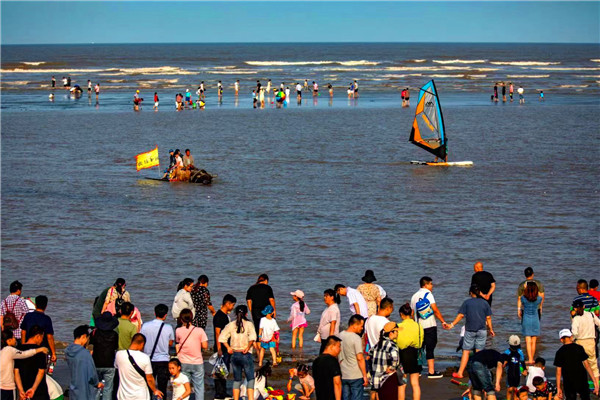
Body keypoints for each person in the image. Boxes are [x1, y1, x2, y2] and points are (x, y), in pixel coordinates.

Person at [446, 284, 494, 379]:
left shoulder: (467, 303)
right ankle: (480, 372)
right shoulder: (485, 303)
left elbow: (460, 315)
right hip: (482, 330)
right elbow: (488, 318)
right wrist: (491, 329)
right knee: (479, 353)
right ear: (480, 293)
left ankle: (460, 372)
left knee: (466, 352)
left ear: (470, 293)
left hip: (470, 330)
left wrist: (451, 325)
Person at [410, 276, 448, 378]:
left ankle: (417, 371)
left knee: (419, 348)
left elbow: (412, 313)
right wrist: (443, 321)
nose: (432, 286)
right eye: (431, 284)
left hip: (418, 327)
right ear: (425, 285)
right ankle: (431, 372)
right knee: (430, 348)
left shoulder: (414, 296)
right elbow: (435, 309)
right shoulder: (429, 294)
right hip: (430, 325)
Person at [218, 305, 257, 400]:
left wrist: (228, 347)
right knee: (250, 378)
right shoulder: (249, 324)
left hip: (234, 354)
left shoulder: (231, 324)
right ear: (246, 314)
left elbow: (221, 338)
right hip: (245, 354)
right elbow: (253, 337)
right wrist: (248, 347)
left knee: (237, 379)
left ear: (235, 314)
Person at [1, 329, 49, 400]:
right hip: (8, 386)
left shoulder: (2, 350)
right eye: (13, 337)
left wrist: (21, 390)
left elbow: (16, 371)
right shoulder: (10, 350)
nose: (15, 339)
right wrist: (39, 349)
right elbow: (24, 354)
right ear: (9, 340)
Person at [114, 333, 163, 400]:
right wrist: (155, 390)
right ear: (142, 344)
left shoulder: (119, 354)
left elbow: (117, 369)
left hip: (123, 395)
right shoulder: (145, 357)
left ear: (131, 341)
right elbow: (149, 379)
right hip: (140, 395)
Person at [140, 304, 174, 399]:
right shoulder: (168, 327)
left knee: (148, 386)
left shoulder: (145, 326)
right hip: (163, 360)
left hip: (148, 359)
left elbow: (141, 340)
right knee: (162, 387)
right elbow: (170, 343)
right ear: (165, 315)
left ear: (155, 313)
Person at [554, 328, 599, 399]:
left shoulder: (559, 352)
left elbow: (558, 372)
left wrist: (558, 388)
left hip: (568, 381)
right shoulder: (579, 348)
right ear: (571, 337)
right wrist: (594, 382)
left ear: (561, 340)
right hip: (582, 379)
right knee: (585, 397)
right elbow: (587, 365)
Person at [175, 309, 208, 400]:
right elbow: (205, 346)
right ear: (192, 318)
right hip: (197, 362)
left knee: (183, 387)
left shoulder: (178, 330)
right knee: (199, 387)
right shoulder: (199, 330)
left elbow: (178, 343)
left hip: (183, 362)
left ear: (181, 319)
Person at [66, 325, 104, 400]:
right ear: (83, 336)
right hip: (84, 389)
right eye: (87, 338)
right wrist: (97, 383)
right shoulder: (85, 353)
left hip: (74, 387)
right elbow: (92, 373)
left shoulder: (68, 351)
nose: (87, 341)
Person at [370, 321, 404, 399]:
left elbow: (370, 354)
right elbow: (395, 358)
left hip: (377, 378)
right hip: (387, 377)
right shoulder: (392, 345)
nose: (398, 333)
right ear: (391, 333)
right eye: (396, 331)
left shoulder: (378, 344)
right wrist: (392, 367)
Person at [14, 325, 49, 400]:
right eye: (42, 338)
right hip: (39, 389)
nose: (42, 340)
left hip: (23, 387)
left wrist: (21, 390)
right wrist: (33, 388)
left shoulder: (18, 349)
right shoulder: (41, 350)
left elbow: (16, 372)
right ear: (38, 336)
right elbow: (41, 371)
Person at [396, 303, 423, 400]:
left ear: (401, 314)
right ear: (411, 313)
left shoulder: (398, 326)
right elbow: (420, 343)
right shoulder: (418, 326)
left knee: (402, 385)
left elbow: (395, 342)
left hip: (402, 355)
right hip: (415, 355)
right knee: (415, 384)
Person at [338, 314, 368, 400]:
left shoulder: (340, 335)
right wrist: (365, 376)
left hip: (343, 374)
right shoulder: (356, 338)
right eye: (361, 326)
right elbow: (360, 358)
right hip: (355, 374)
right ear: (355, 325)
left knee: (345, 397)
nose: (362, 328)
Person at [90, 312, 119, 400]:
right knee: (108, 388)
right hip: (109, 363)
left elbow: (90, 347)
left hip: (96, 362)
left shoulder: (94, 333)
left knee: (96, 386)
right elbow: (115, 347)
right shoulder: (114, 335)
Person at [20, 295, 56, 363]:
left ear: (35, 305)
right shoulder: (46, 319)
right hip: (42, 348)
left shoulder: (28, 316)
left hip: (28, 347)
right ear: (46, 306)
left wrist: (23, 346)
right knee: (41, 369)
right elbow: (49, 337)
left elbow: (23, 332)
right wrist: (53, 353)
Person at [213, 294, 236, 400]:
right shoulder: (219, 316)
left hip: (226, 347)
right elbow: (217, 333)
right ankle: (219, 393)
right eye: (232, 305)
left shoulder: (225, 315)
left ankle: (223, 391)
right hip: (221, 347)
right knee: (219, 370)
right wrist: (219, 349)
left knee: (224, 370)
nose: (233, 307)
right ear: (227, 304)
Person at [571, 300, 600, 382]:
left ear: (575, 309)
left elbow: (575, 333)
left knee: (580, 365)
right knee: (593, 365)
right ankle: (596, 386)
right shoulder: (591, 314)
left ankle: (582, 383)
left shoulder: (576, 319)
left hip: (580, 343)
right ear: (584, 306)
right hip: (591, 342)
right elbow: (599, 324)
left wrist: (571, 341)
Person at [246, 274, 276, 343]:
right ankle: (269, 346)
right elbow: (271, 300)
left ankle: (259, 349)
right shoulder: (268, 288)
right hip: (267, 311)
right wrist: (274, 310)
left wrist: (251, 310)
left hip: (255, 311)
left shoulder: (251, 288)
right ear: (266, 280)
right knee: (268, 329)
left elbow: (249, 301)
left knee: (257, 329)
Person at [312, 335, 342, 400]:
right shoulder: (333, 361)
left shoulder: (316, 361)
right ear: (331, 347)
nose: (340, 349)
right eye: (339, 346)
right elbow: (337, 382)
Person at [520, 282, 542, 364]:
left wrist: (525, 288)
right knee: (534, 341)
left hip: (526, 320)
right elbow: (539, 295)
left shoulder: (523, 299)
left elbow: (522, 297)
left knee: (528, 341)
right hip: (535, 320)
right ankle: (532, 358)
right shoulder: (538, 299)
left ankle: (529, 359)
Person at [317, 289, 341, 354]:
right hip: (325, 337)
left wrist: (331, 338)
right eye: (324, 296)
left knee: (324, 355)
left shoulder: (333, 309)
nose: (324, 298)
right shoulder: (328, 308)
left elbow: (333, 323)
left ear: (332, 297)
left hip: (328, 338)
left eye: (326, 296)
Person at [503, 335, 526, 400]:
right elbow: (522, 361)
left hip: (509, 373)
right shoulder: (520, 352)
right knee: (516, 389)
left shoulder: (507, 352)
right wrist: (524, 369)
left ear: (509, 344)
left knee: (509, 389)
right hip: (517, 373)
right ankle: (516, 398)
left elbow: (503, 364)